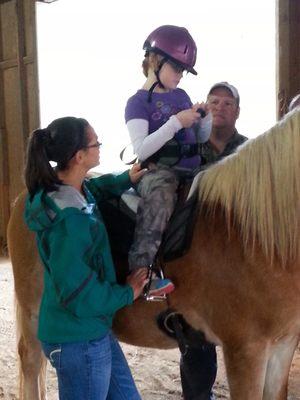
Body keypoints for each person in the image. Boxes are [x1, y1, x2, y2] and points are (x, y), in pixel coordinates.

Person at [24, 116, 148, 400]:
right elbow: (79, 294)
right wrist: (127, 293)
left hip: (91, 331)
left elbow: (96, 190)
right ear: (79, 156)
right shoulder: (71, 221)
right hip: (77, 341)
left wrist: (124, 179)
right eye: (96, 143)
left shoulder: (66, 189)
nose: (99, 146)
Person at [125, 25, 212, 296]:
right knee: (161, 197)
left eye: (183, 70)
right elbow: (141, 149)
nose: (180, 75)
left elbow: (198, 136)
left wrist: (204, 118)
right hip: (159, 171)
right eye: (176, 68)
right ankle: (143, 274)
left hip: (193, 168)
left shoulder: (181, 96)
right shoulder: (137, 103)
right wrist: (176, 122)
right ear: (155, 60)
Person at [180, 82, 248, 400]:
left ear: (237, 111)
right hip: (197, 260)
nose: (219, 107)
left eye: (227, 102)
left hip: (241, 264)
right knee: (197, 346)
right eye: (213, 101)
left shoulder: (252, 150)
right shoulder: (189, 145)